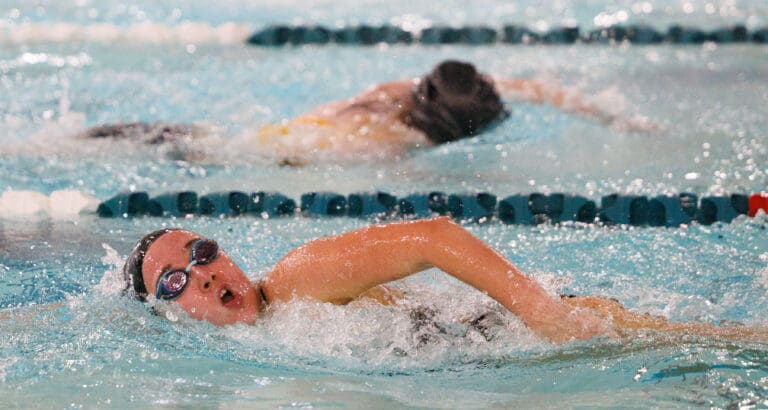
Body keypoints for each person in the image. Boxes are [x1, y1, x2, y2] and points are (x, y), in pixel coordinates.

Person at [123, 217, 768, 344]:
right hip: (489, 347)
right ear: (165, 313)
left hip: (520, 331)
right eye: (174, 284)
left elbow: (434, 237)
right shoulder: (267, 338)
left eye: (202, 253)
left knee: (732, 345)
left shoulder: (298, 281)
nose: (201, 276)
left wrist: (544, 314)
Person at [86, 60, 657, 165]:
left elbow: (530, 86)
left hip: (248, 132)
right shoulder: (392, 141)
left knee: (117, 135)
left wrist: (608, 116)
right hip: (242, 148)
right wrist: (615, 120)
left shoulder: (398, 90)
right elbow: (295, 161)